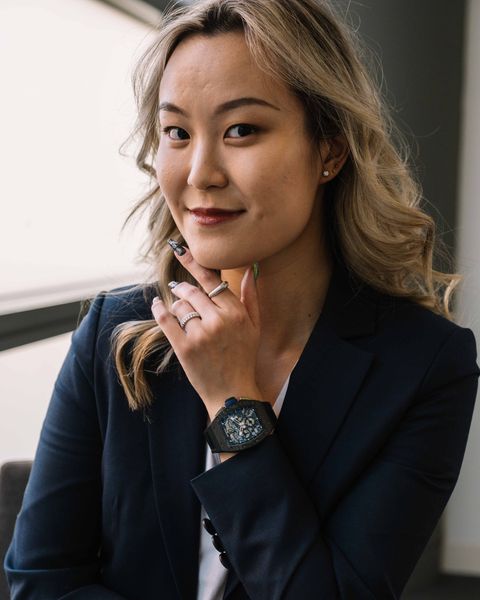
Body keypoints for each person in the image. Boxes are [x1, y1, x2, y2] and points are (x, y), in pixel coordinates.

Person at [4, 0, 480, 598]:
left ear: (329, 150)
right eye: (177, 131)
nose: (200, 172)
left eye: (241, 130)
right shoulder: (113, 330)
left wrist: (233, 404)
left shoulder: (427, 366)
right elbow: (40, 581)